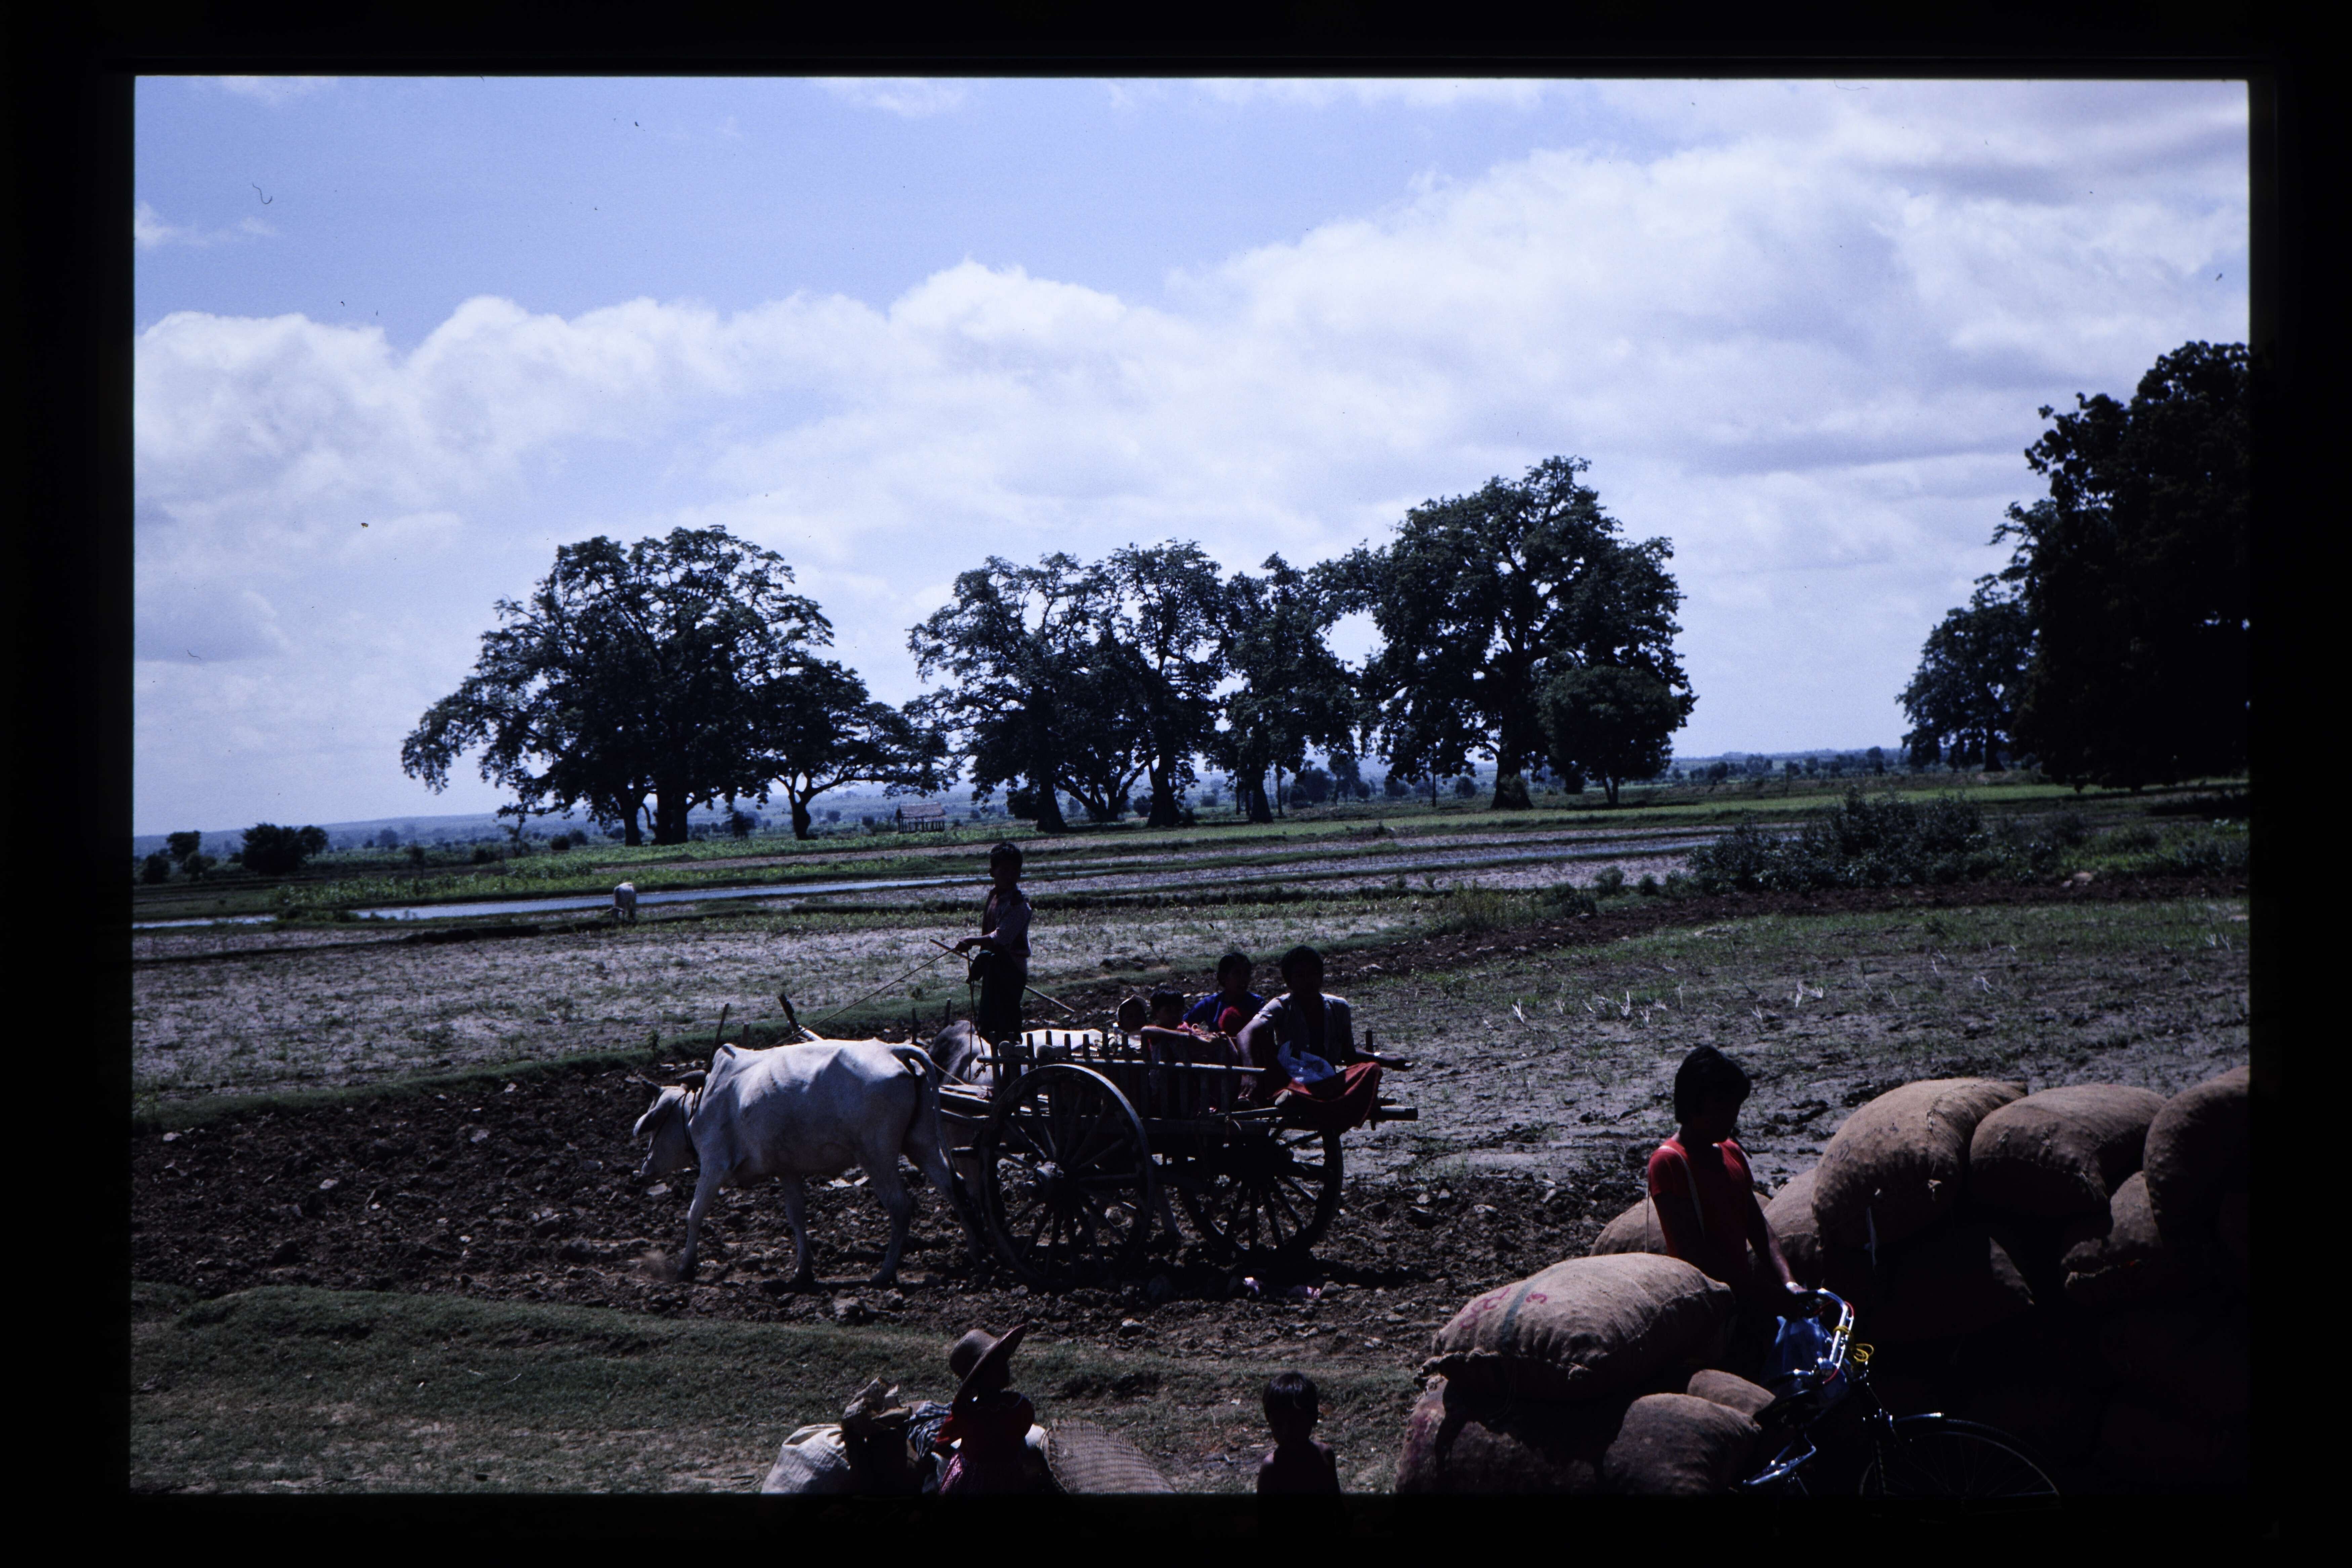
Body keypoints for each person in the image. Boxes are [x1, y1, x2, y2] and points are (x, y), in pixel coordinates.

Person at [1646, 1046, 1812, 1379]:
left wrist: (1789, 1282)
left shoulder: (1730, 1151)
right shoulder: (1669, 1164)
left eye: (1735, 1107)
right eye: (1722, 1107)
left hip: (1746, 1301)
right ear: (1695, 1105)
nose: (1732, 1116)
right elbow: (1697, 1257)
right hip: (1711, 1313)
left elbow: (1758, 1227)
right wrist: (1767, 1296)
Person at [1236, 945, 1412, 1133]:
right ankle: (1306, 1098)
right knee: (1266, 1048)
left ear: (1321, 977)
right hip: (1293, 1080)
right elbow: (1245, 1033)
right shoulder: (1281, 1006)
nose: (1308, 981)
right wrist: (1249, 1073)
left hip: (1327, 1082)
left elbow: (1349, 1055)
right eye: (1300, 976)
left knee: (1372, 1070)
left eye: (1312, 974)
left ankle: (1303, 1099)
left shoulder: (1339, 1007)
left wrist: (1387, 1060)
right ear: (1289, 982)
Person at [936, 1323, 1040, 1495]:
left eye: (1003, 1361)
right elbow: (1023, 1432)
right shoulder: (1019, 1405)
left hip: (971, 1482)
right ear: (981, 1377)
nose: (1005, 1367)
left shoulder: (966, 1412)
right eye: (997, 1365)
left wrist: (965, 1458)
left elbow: (940, 1444)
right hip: (1009, 1479)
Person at [953, 843, 1032, 1045]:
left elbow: (1001, 937)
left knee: (1006, 1019)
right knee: (988, 1017)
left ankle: (1011, 1053)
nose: (1010, 876)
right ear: (992, 872)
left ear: (1020, 873)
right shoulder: (995, 897)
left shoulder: (1018, 905)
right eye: (1004, 871)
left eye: (1014, 871)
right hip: (994, 965)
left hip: (1011, 968)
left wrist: (972, 941)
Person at [1137, 986, 1240, 1112]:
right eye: (1168, 1011)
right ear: (1156, 1014)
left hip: (1187, 1079)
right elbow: (1145, 1030)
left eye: (1178, 1010)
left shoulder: (1185, 1029)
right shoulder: (1159, 1031)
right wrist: (1182, 1036)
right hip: (1165, 1083)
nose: (1174, 1015)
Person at [1257, 1370, 1341, 1494]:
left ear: (1313, 1418)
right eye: (1278, 1424)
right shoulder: (1272, 1469)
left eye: (1295, 1423)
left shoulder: (1325, 1456)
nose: (1287, 1431)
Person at [1184, 951, 1264, 1033]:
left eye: (1247, 974)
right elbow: (1184, 1024)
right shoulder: (1210, 1004)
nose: (1243, 979)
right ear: (1224, 977)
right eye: (1237, 974)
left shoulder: (1257, 1003)